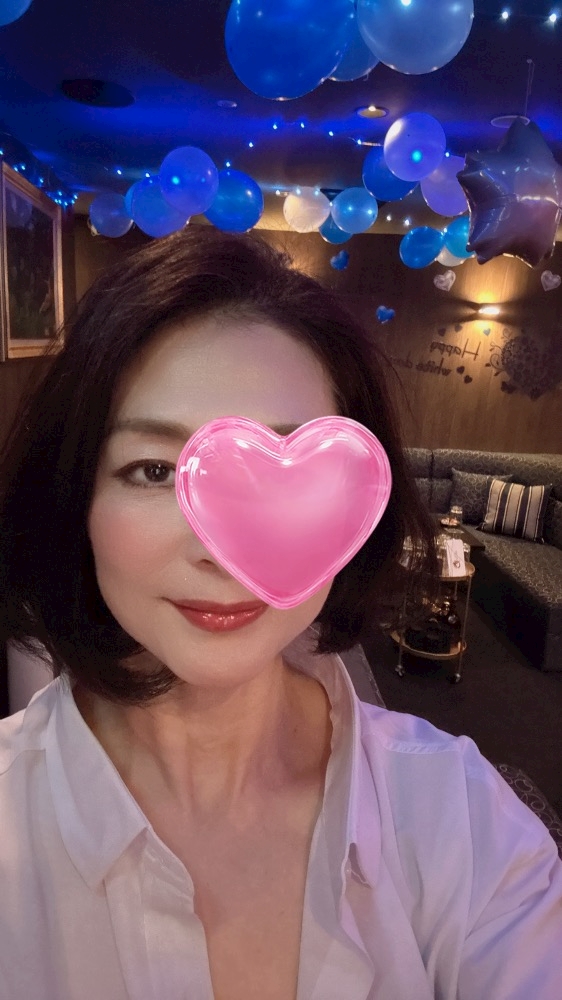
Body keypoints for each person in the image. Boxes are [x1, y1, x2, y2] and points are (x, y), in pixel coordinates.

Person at [0, 227, 560, 1000]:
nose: (224, 550)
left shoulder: (461, 821)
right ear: (76, 500)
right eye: (155, 470)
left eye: (288, 476)